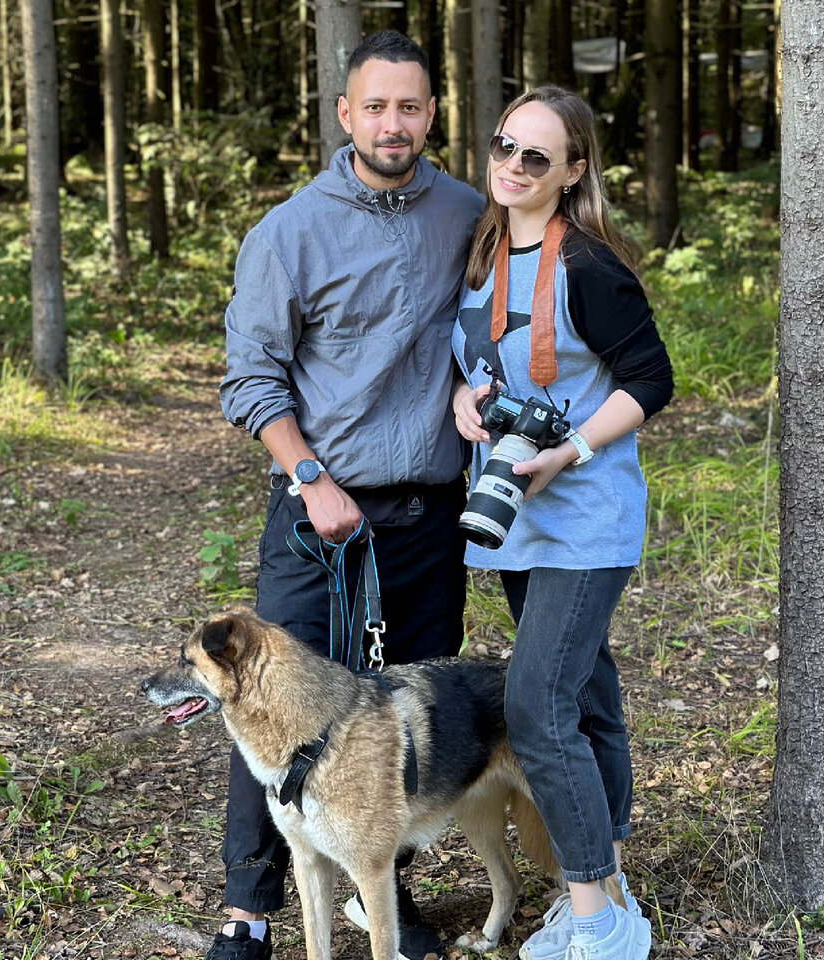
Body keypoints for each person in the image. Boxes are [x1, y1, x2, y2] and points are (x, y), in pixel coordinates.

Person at [217, 30, 485, 960]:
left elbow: (493, 321)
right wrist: (309, 475)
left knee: (398, 737)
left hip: (428, 523)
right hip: (317, 518)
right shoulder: (289, 230)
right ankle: (249, 907)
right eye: (375, 106)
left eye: (410, 106)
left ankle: (381, 901)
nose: (393, 123)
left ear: (432, 114)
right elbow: (250, 378)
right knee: (273, 713)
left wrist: (468, 383)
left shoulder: (468, 212)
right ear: (345, 114)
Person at [451, 85, 672, 960]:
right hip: (514, 518)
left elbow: (650, 380)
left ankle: (593, 922)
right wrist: (464, 400)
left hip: (583, 514)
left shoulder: (589, 265)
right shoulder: (485, 247)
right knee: (587, 703)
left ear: (574, 170)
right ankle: (610, 892)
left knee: (536, 708)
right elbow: (478, 357)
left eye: (535, 157)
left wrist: (570, 449)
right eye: (504, 147)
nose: (511, 167)